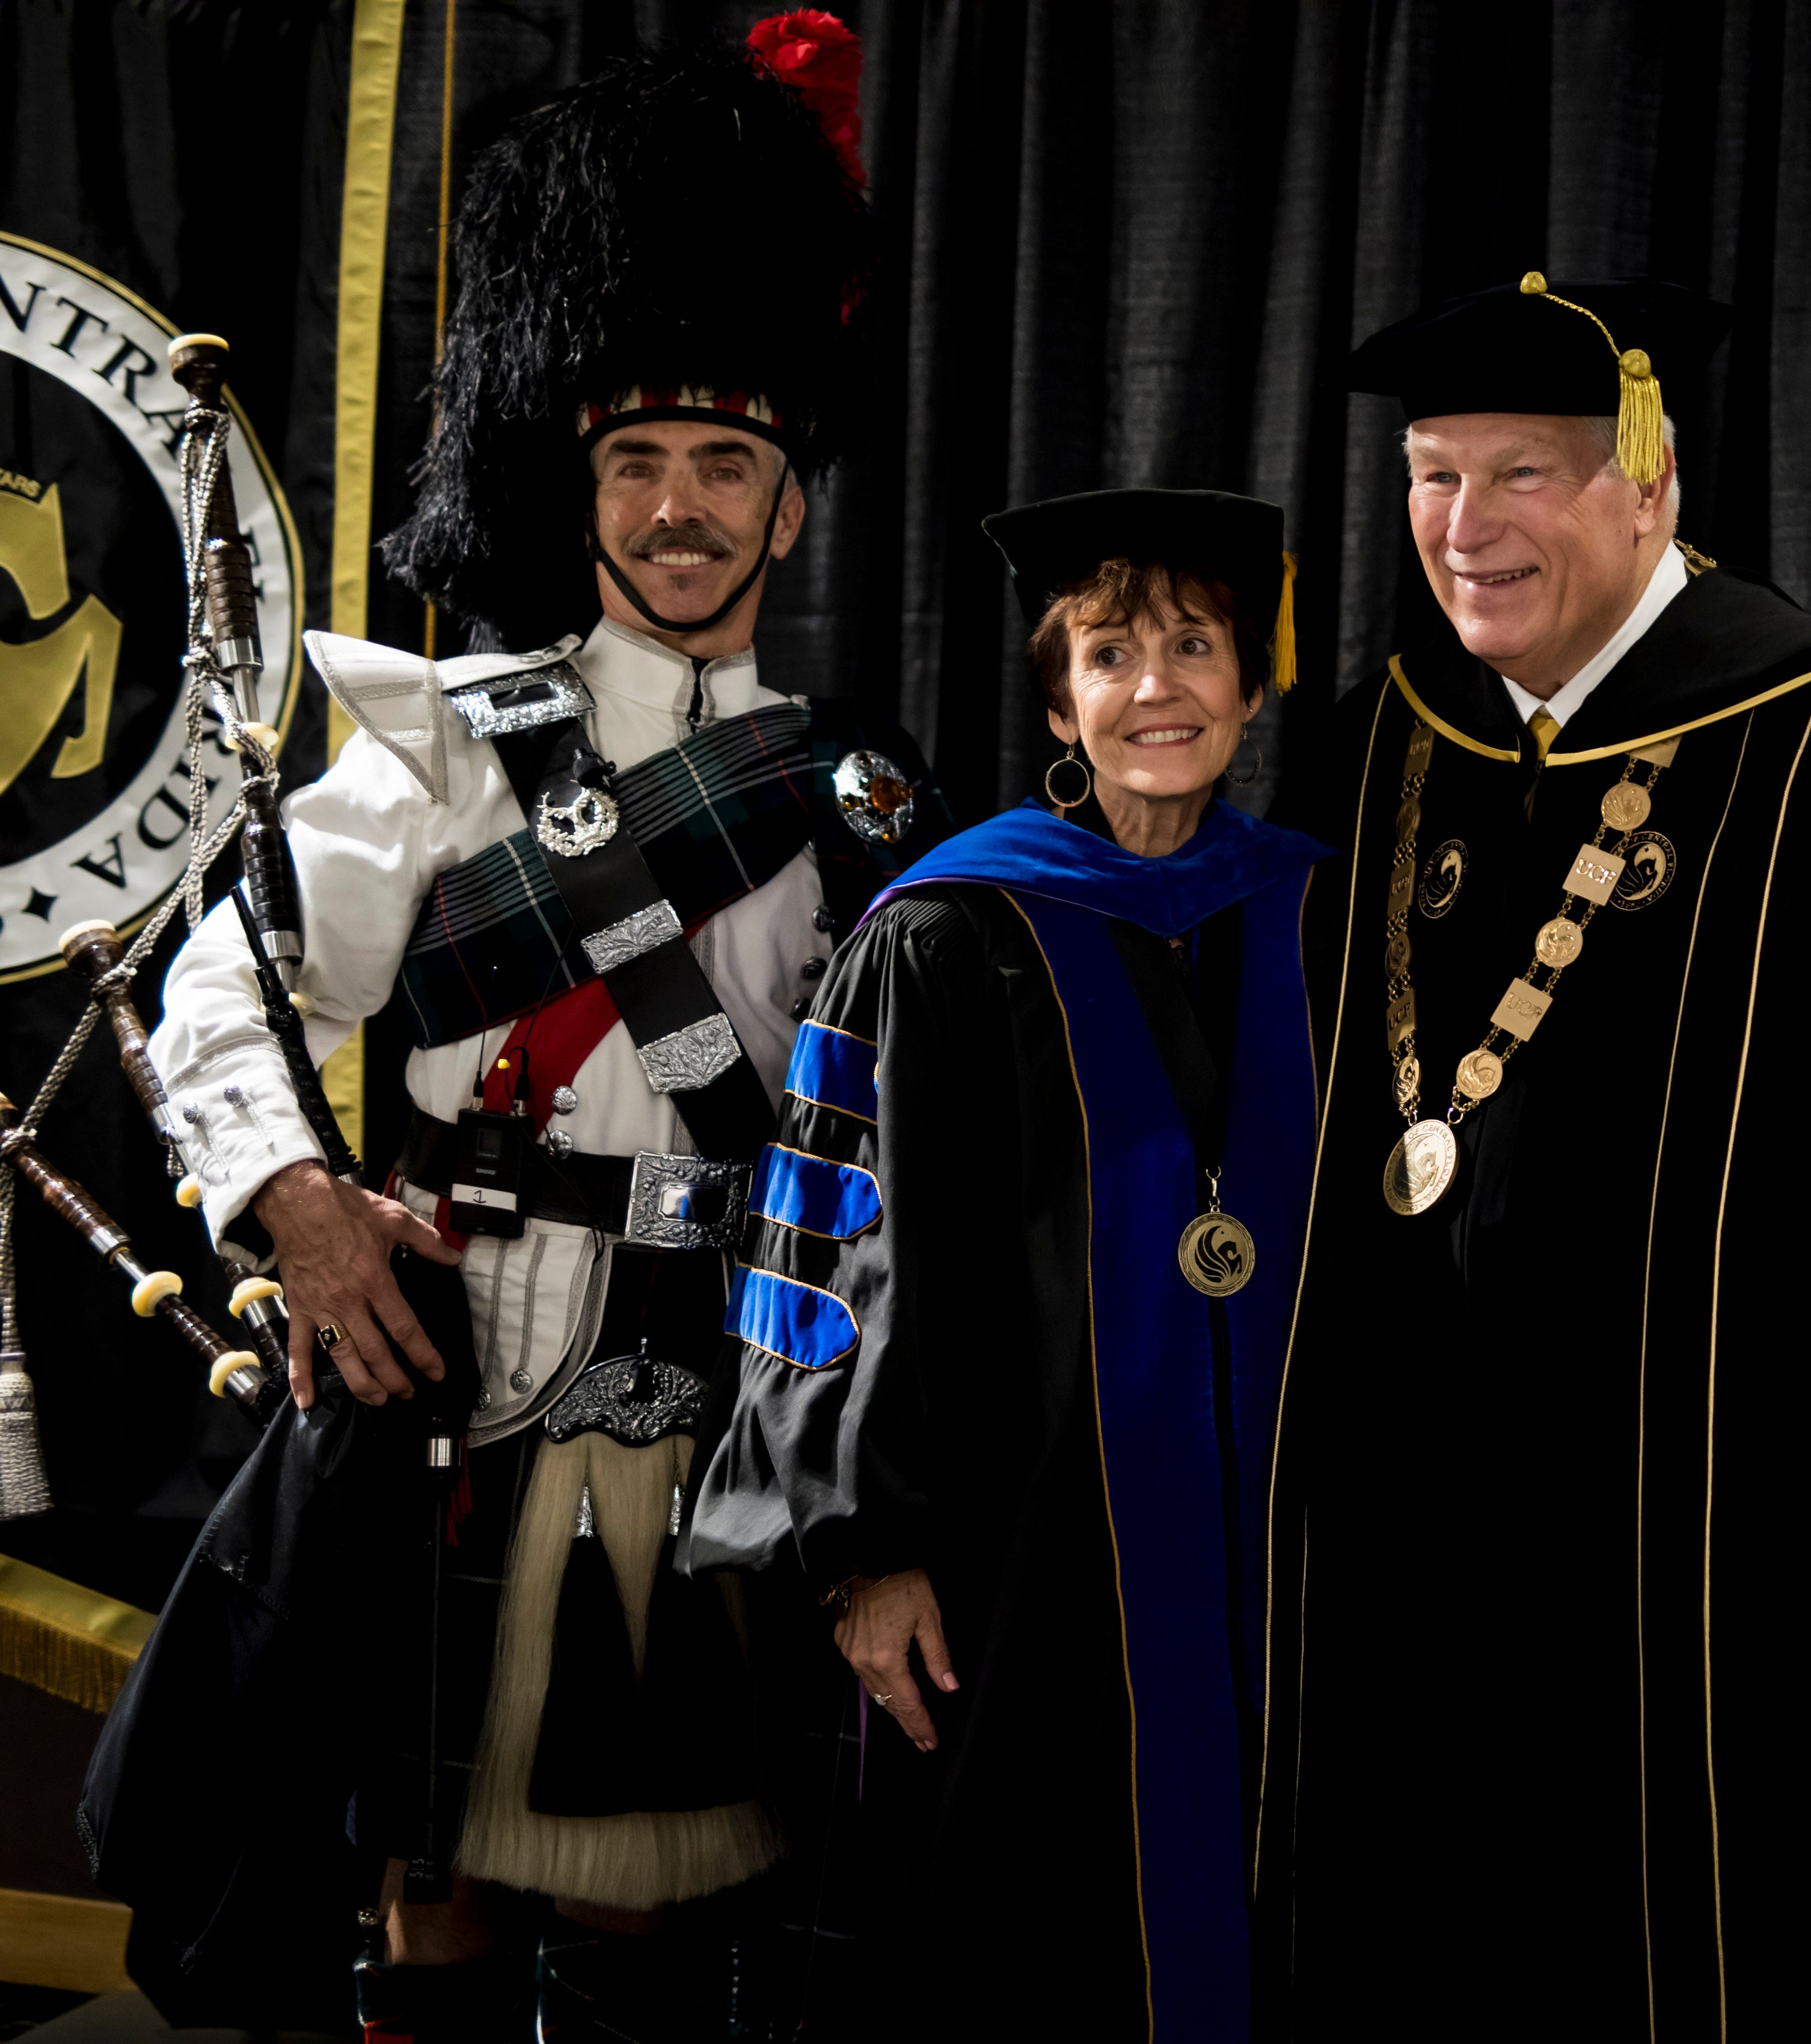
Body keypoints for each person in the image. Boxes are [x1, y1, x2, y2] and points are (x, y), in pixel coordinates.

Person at [136, 22, 934, 2040]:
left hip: (716, 1378)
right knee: (434, 1902)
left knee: (664, 1917)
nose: (681, 508)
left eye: (727, 467)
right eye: (641, 465)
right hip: (456, 1368)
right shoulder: (439, 737)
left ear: (790, 513)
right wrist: (293, 1198)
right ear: (578, 485)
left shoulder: (864, 798)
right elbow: (213, 982)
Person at [1260, 274, 1811, 2033]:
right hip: (1410, 1544)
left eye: (1522, 474)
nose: (1465, 530)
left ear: (1649, 486)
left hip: (1727, 1562)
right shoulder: (1378, 741)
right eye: (1431, 476)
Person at [686, 489, 1327, 2039]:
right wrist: (864, 1547)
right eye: (1112, 654)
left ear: (1251, 682)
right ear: (1062, 702)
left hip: (1294, 1566)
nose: (1157, 685)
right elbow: (830, 1250)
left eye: (1195, 646)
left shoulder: (1324, 912)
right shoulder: (948, 932)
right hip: (1021, 1563)